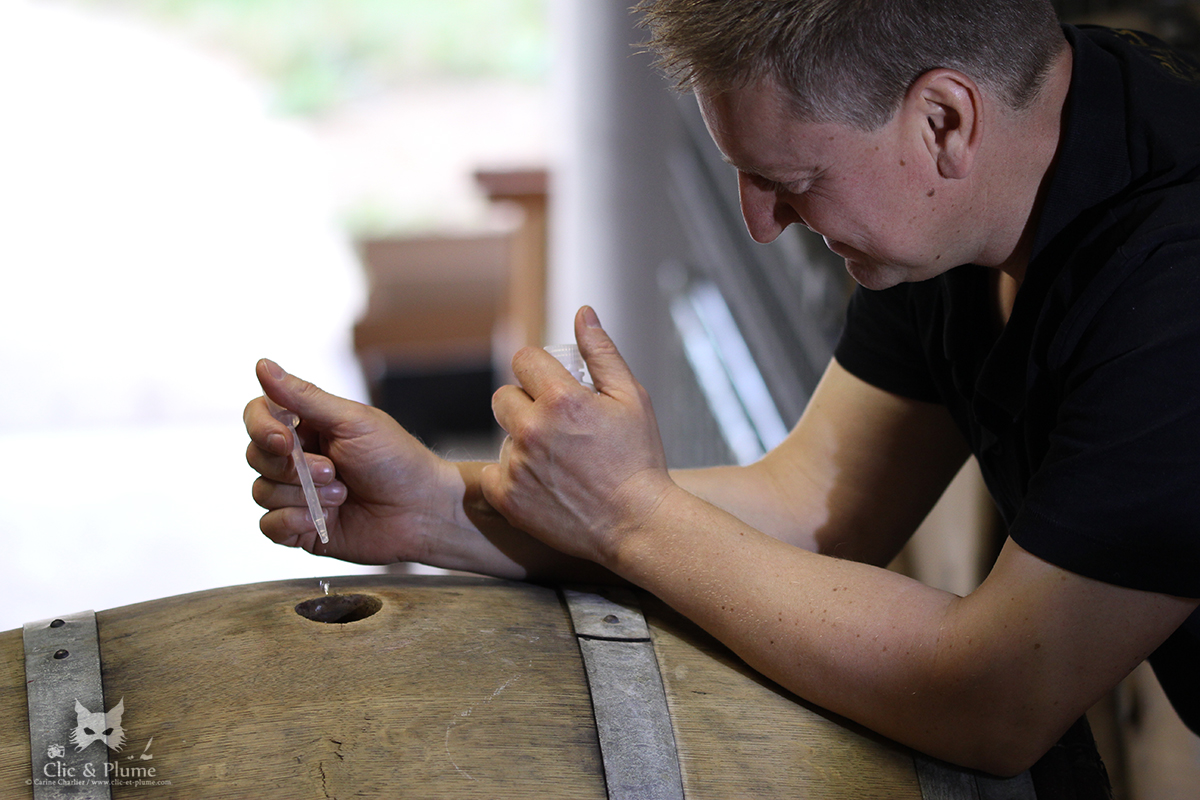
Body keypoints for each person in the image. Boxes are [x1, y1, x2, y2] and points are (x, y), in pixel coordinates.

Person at [244, 0, 1200, 777]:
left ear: (943, 120)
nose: (763, 223)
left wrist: (632, 514)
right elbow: (813, 507)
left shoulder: (1174, 285)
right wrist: (438, 506)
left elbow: (995, 698)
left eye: (792, 177)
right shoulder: (974, 188)